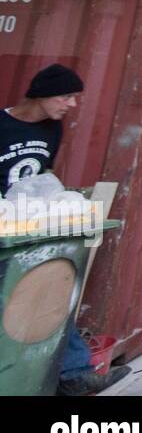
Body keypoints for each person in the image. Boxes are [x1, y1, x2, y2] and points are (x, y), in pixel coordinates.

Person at [1, 63, 129, 395]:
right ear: (42, 94)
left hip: (28, 226)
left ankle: (73, 374)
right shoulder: (2, 124)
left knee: (51, 293)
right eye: (66, 96)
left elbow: (42, 177)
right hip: (2, 227)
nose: (71, 105)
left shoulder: (51, 130)